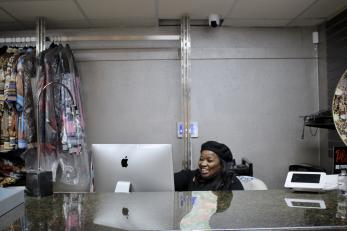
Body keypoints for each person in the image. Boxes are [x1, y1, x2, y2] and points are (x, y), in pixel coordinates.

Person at [174, 141, 243, 191]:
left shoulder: (231, 183)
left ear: (222, 164)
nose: (203, 164)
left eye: (209, 160)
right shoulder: (191, 176)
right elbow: (167, 182)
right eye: (201, 159)